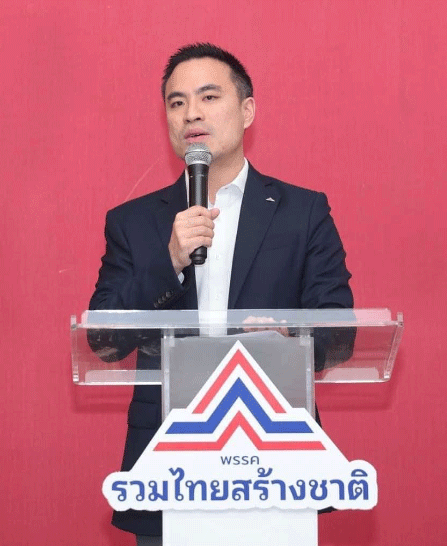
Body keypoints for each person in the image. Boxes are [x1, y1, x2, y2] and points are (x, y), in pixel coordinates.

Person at [89, 43, 353, 545]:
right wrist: (168, 261)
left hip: (273, 459)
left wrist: (290, 338)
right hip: (169, 463)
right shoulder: (133, 222)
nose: (192, 113)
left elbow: (338, 331)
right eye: (177, 102)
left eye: (209, 97)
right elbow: (103, 339)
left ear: (247, 111)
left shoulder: (302, 212)